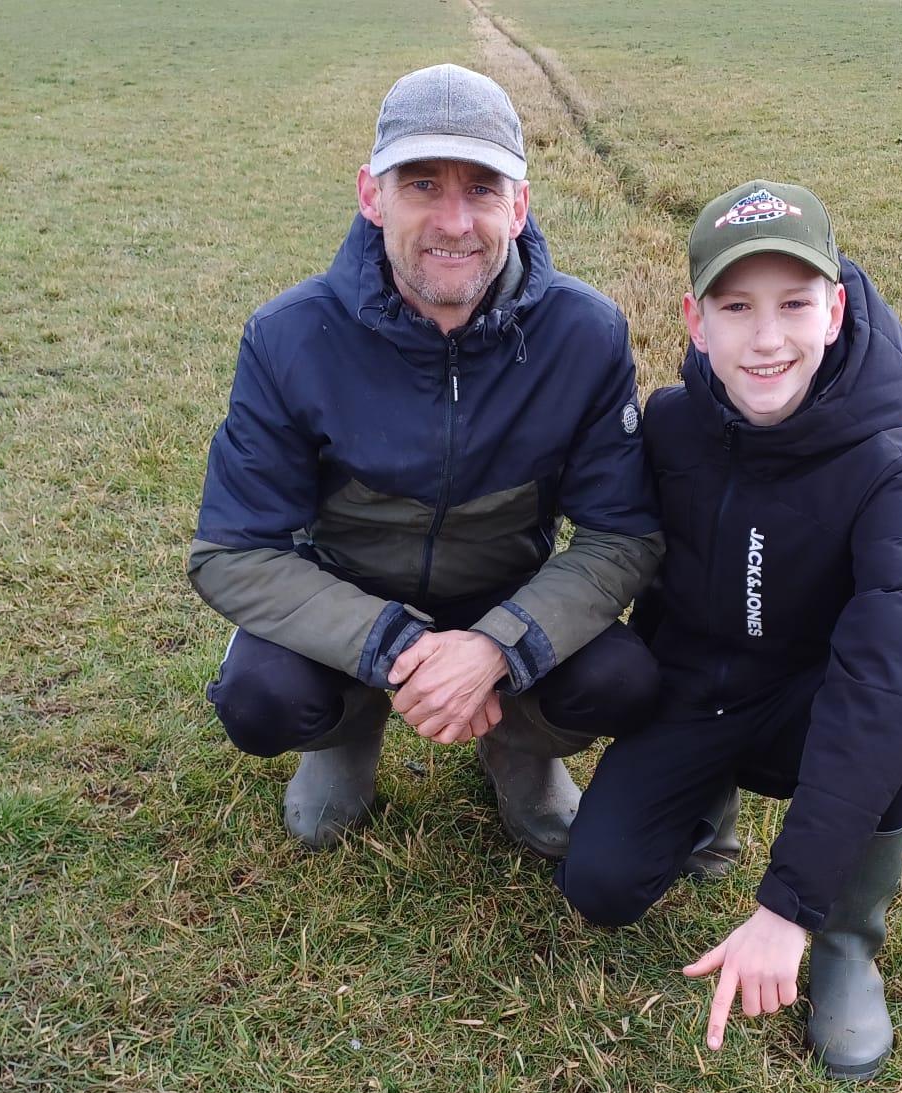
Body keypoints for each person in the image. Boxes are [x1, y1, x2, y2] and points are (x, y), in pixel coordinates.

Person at [188, 65, 664, 858]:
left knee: (624, 679)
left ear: (519, 203)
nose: (453, 220)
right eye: (421, 185)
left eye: (481, 188)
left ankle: (518, 745)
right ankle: (349, 726)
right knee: (259, 697)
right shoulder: (288, 337)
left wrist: (496, 648)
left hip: (505, 597)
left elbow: (624, 537)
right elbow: (231, 551)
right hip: (351, 600)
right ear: (373, 196)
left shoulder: (586, 335)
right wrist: (394, 651)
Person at [555, 181, 902, 1079]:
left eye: (793, 304)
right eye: (737, 308)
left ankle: (849, 944)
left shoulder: (885, 468)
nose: (766, 338)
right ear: (696, 321)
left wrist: (790, 906)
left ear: (835, 308)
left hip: (802, 711)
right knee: (601, 886)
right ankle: (707, 807)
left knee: (897, 718)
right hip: (692, 693)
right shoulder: (668, 425)